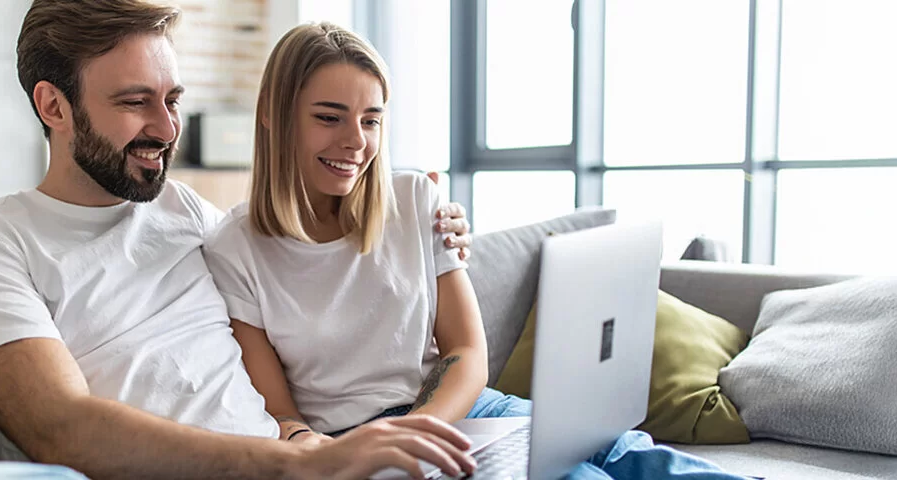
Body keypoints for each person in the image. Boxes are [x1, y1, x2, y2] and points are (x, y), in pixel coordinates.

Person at [0, 1, 480, 479]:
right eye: (134, 101)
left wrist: (432, 228)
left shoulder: (188, 213)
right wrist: (299, 462)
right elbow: (62, 428)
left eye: (172, 100)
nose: (168, 130)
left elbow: (304, 276)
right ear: (54, 106)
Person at [201, 22, 751, 480]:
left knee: (634, 455)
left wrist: (425, 426)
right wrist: (347, 450)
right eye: (329, 117)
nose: (356, 142)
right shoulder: (234, 248)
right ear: (273, 113)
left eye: (371, 120)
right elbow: (280, 413)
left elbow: (466, 351)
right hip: (360, 442)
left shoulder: (415, 198)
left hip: (464, 408)